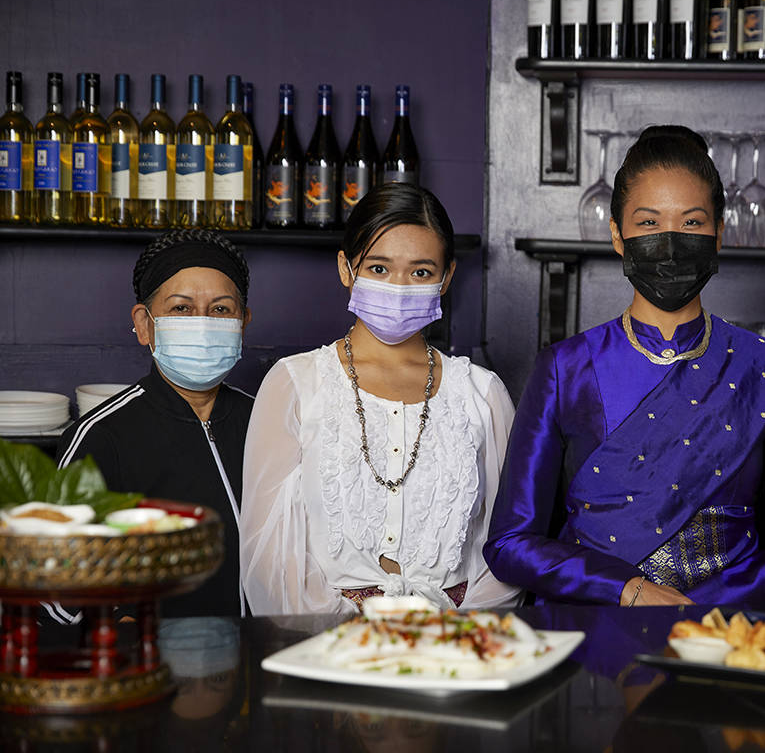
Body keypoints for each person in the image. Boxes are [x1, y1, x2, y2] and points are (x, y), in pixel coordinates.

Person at [484, 125, 765, 607]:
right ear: (617, 235)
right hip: (591, 628)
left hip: (727, 634)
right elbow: (510, 543)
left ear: (719, 234)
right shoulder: (565, 369)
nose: (670, 242)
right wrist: (626, 590)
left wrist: (708, 607)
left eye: (691, 223)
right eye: (649, 223)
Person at [240, 183, 519, 615]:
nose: (399, 287)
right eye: (379, 268)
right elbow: (268, 556)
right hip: (323, 641)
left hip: (456, 640)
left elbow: (510, 546)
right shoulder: (295, 384)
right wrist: (348, 634)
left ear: (446, 278)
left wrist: (451, 634)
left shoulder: (483, 394)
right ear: (346, 268)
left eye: (421, 272)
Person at [56, 228, 254, 619]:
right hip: (155, 653)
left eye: (220, 309)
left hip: (269, 650)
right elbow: (58, 593)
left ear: (243, 323)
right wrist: (123, 622)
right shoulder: (101, 437)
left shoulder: (269, 422)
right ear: (144, 324)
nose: (202, 324)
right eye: (181, 308)